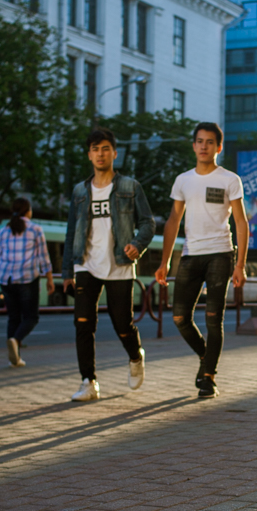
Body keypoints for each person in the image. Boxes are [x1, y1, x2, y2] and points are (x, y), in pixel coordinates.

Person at [154, 122, 248, 399]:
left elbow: (241, 222)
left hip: (220, 253)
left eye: (209, 142)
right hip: (190, 254)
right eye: (199, 141)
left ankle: (208, 377)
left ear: (218, 147)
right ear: (194, 145)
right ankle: (206, 359)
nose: (204, 146)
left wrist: (240, 264)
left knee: (212, 318)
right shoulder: (183, 180)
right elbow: (173, 220)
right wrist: (164, 262)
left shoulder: (230, 179)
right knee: (180, 317)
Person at [61, 127, 155, 402]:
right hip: (86, 265)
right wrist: (67, 271)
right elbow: (70, 233)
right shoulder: (80, 191)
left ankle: (135, 356)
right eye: (94, 149)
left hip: (119, 264)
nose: (100, 154)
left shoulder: (129, 187)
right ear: (89, 155)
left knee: (122, 324)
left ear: (114, 153)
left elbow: (148, 222)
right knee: (82, 324)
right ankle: (88, 382)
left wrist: (137, 244)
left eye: (105, 148)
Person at [0, 198, 53, 367]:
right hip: (27, 278)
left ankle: (15, 358)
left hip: (6, 279)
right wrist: (49, 278)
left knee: (13, 317)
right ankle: (16, 339)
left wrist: (1, 275)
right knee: (31, 317)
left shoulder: (3, 231)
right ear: (28, 211)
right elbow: (44, 257)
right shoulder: (35, 229)